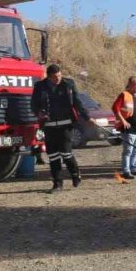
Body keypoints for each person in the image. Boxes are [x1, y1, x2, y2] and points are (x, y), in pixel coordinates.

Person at [31, 64, 83, 192]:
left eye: (60, 76)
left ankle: (75, 175)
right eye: (55, 77)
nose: (58, 79)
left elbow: (77, 102)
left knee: (66, 152)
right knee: (53, 156)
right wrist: (38, 112)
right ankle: (57, 184)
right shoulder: (40, 86)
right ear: (48, 77)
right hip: (49, 126)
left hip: (65, 125)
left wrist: (87, 117)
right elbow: (34, 104)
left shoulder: (68, 84)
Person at [112, 76, 136, 181]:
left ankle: (134, 168)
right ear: (131, 85)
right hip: (129, 130)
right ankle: (126, 171)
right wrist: (123, 121)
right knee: (128, 151)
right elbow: (115, 108)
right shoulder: (124, 95)